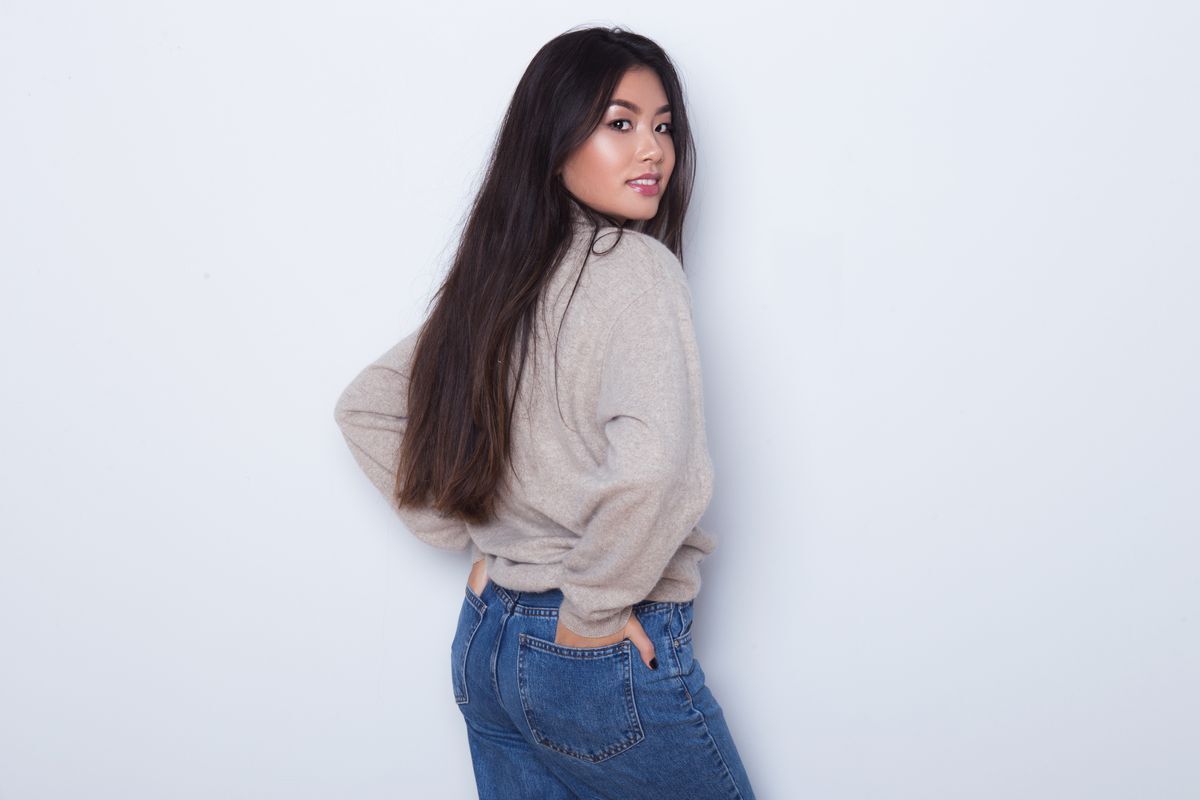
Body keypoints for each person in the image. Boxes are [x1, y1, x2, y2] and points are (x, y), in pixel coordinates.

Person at [333, 24, 756, 800]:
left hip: (487, 641)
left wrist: (484, 544)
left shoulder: (503, 277)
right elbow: (660, 468)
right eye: (620, 123)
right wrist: (592, 613)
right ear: (552, 139)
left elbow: (368, 407)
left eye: (663, 126)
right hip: (588, 650)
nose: (653, 150)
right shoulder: (637, 270)